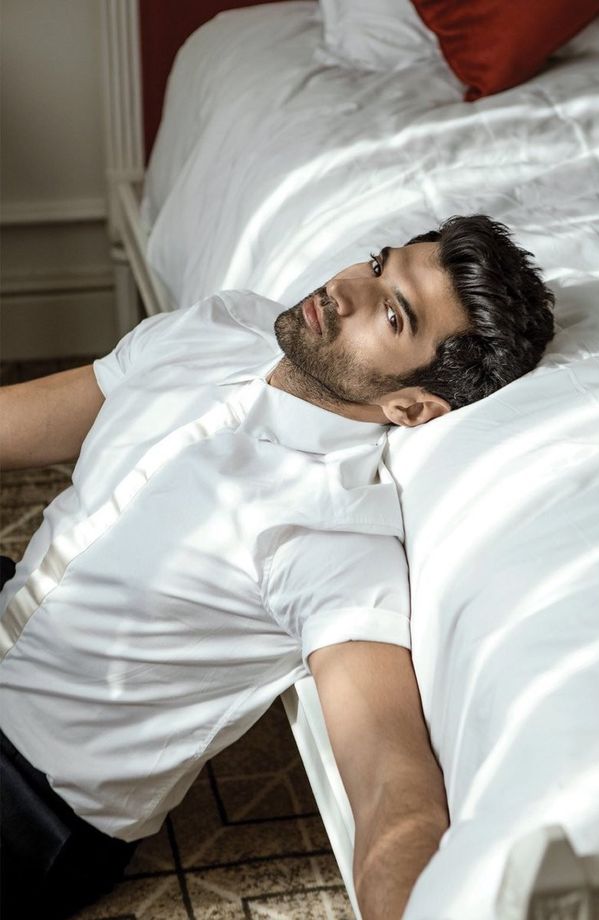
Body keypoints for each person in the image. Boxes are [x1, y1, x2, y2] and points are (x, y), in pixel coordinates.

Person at [0, 215, 554, 920]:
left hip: (28, 795)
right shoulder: (223, 325)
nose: (348, 288)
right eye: (379, 264)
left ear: (412, 406)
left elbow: (393, 788)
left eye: (391, 314)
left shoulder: (330, 537)